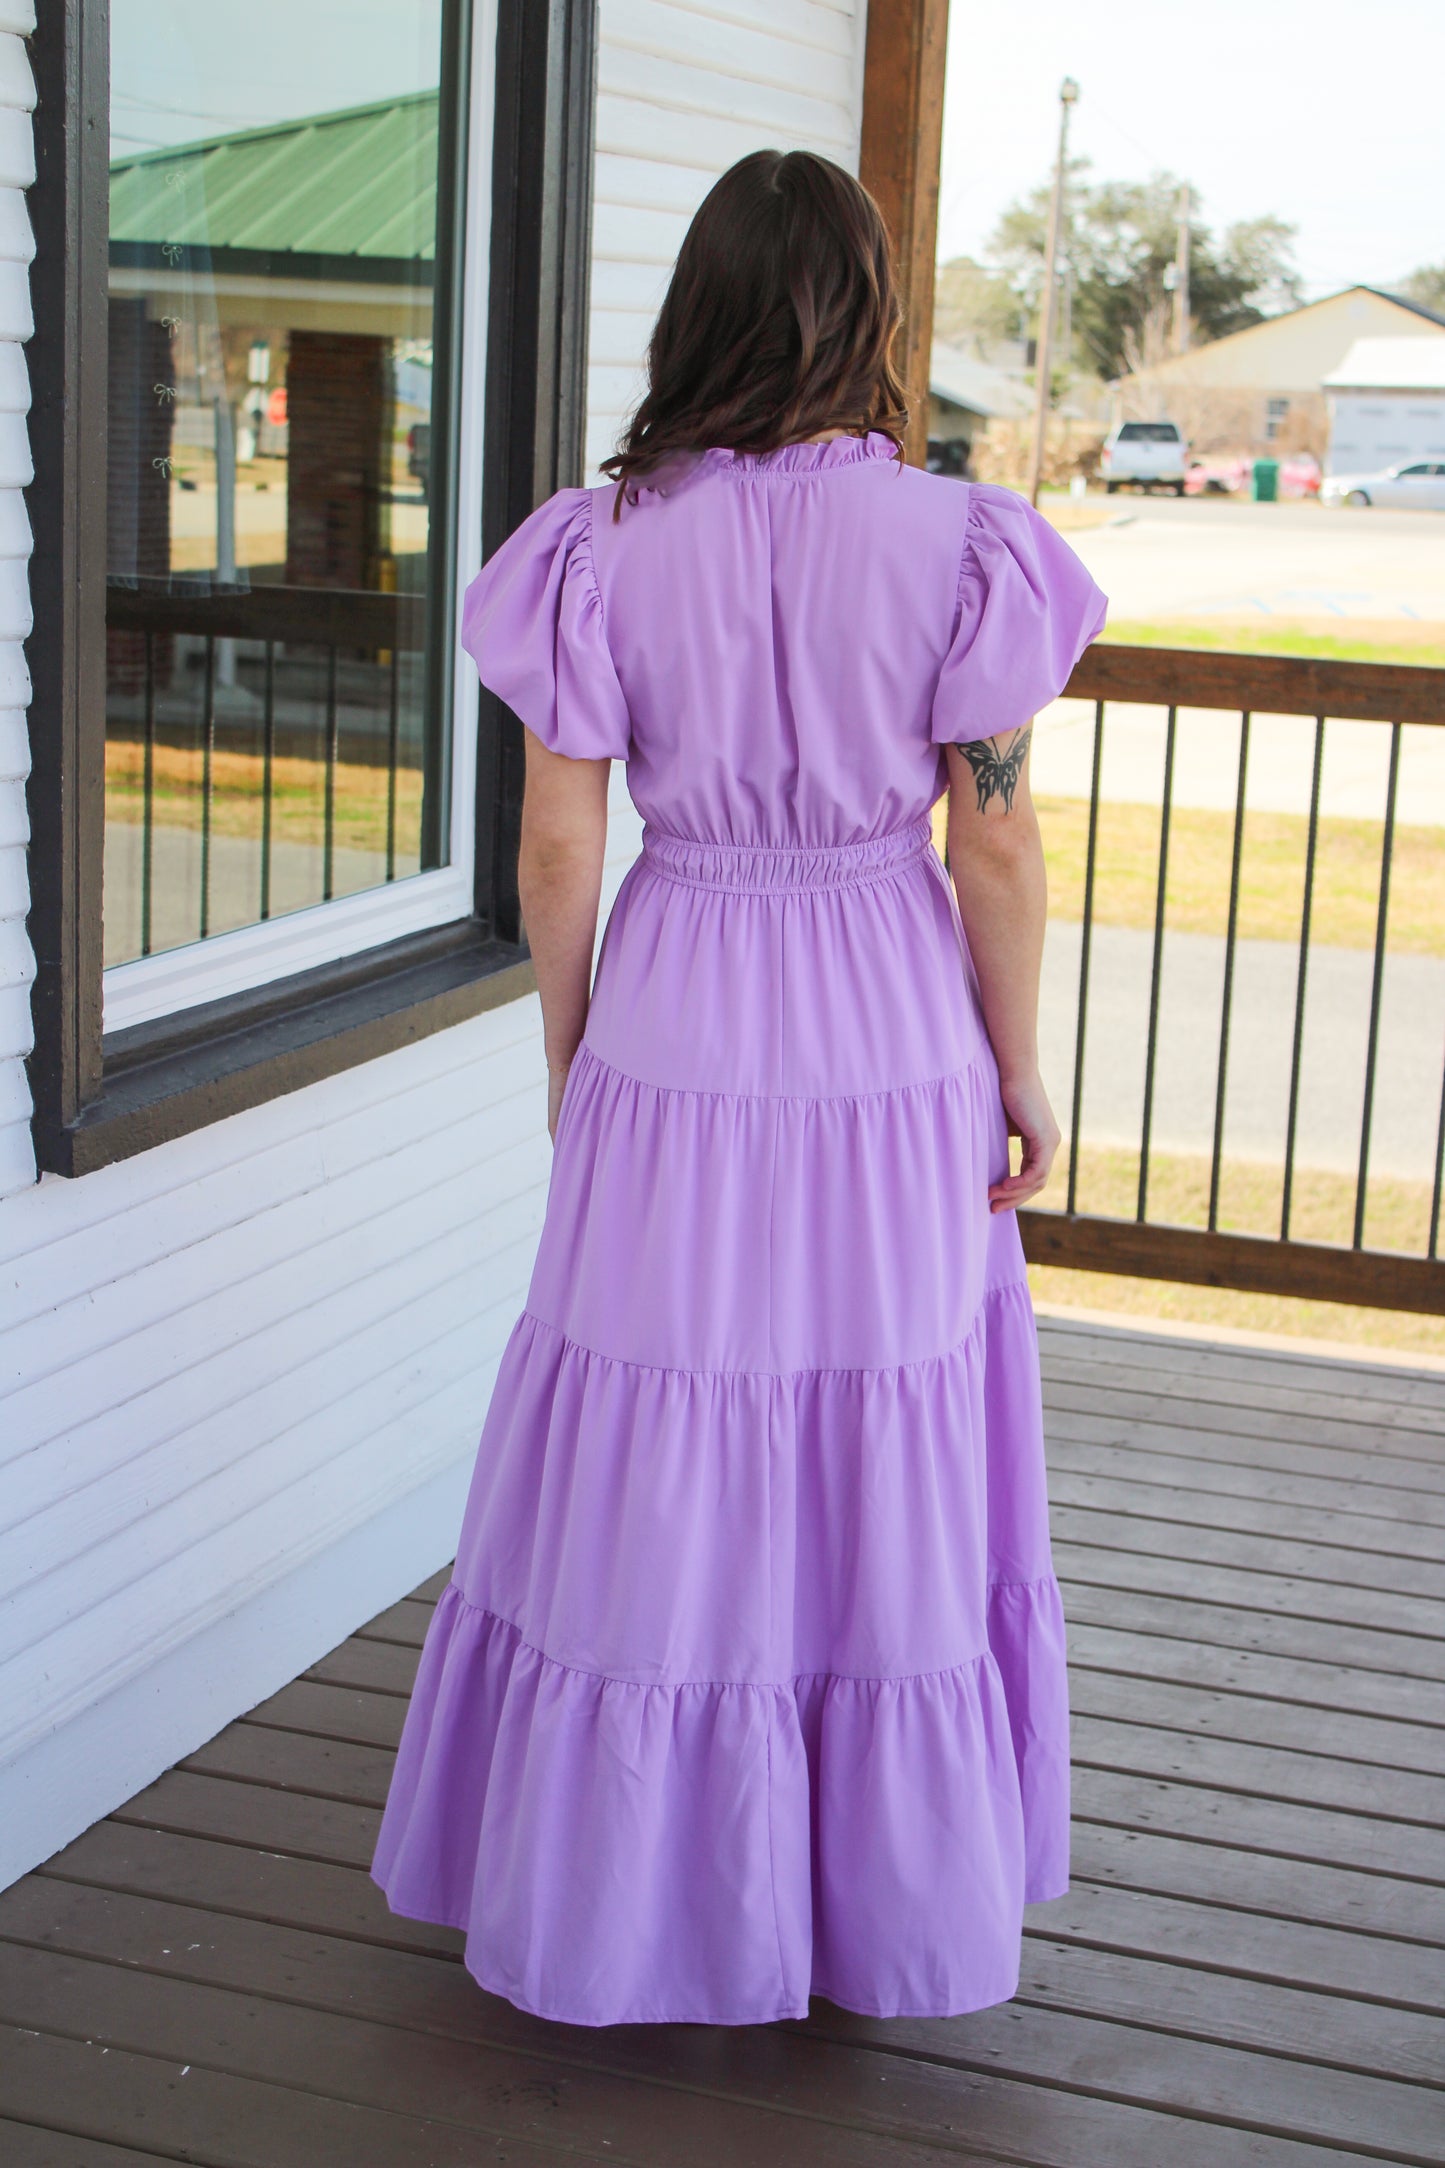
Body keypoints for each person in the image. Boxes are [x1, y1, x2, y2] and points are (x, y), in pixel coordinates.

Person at [371, 147, 1107, 2028]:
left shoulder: (598, 546)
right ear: (864, 314)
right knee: (880, 1435)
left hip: (678, 1006)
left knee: (658, 1441)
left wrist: (572, 1038)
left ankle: (633, 1902)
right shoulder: (962, 546)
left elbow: (555, 836)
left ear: (692, 309)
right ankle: (876, 1908)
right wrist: (1016, 1067)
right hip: (883, 1022)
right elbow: (995, 849)